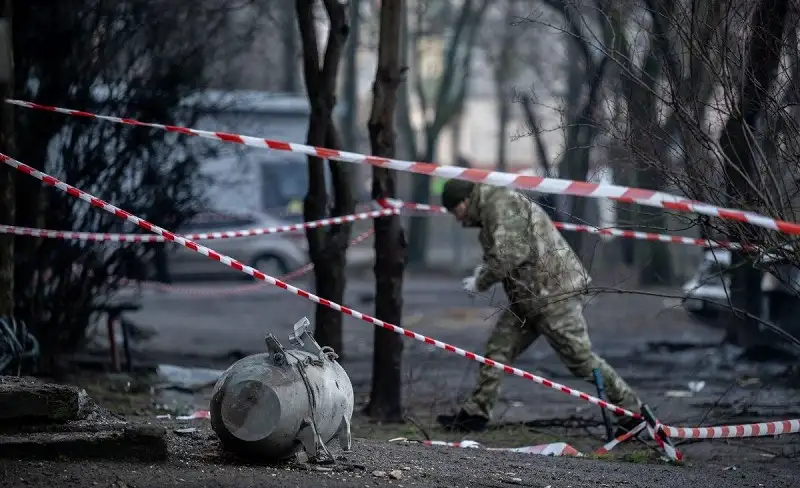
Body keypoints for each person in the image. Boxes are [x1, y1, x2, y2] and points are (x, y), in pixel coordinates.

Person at [435, 179, 641, 433]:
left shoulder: (501, 204)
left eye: (455, 211)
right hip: (528, 298)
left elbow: (512, 254)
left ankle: (633, 413)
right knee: (497, 351)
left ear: (464, 201)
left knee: (581, 360)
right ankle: (476, 414)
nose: (457, 218)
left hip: (554, 294)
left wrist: (481, 280)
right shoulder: (492, 209)